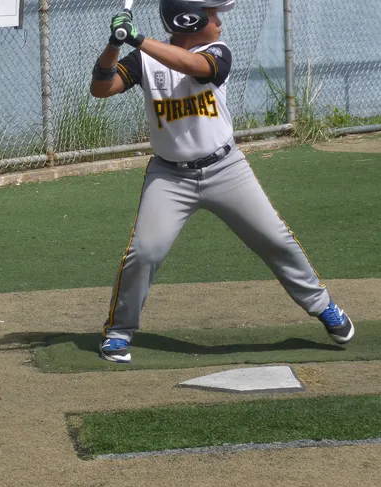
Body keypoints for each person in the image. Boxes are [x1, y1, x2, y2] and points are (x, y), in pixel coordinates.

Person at [90, 0, 354, 364]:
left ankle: (324, 306)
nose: (218, 22)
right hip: (170, 176)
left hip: (225, 168)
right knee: (144, 252)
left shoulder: (217, 51)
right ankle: (119, 332)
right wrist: (115, 44)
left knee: (274, 238)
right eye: (212, 16)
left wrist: (136, 37)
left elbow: (196, 67)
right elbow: (101, 88)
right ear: (190, 19)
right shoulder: (143, 59)